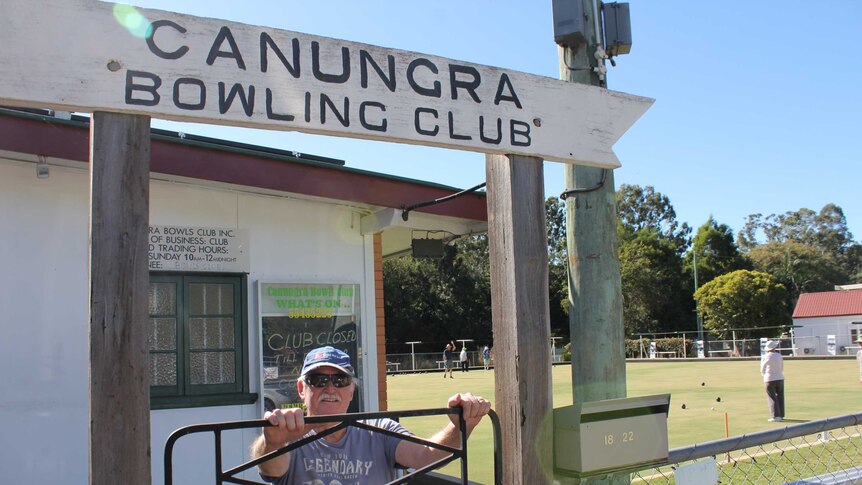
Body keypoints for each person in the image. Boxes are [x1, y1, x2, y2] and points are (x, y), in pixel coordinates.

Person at [251, 346, 491, 484]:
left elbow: (426, 456)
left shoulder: (379, 429)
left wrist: (462, 425)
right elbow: (269, 469)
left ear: (351, 389)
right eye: (319, 380)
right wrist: (274, 441)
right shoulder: (289, 436)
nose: (330, 388)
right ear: (302, 389)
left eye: (340, 380)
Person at [760, 340, 785, 422]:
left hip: (769, 378)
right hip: (780, 377)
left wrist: (764, 375)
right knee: (780, 396)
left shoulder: (765, 356)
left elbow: (762, 369)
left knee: (772, 397)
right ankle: (781, 414)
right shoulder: (779, 355)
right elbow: (781, 367)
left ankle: (776, 416)